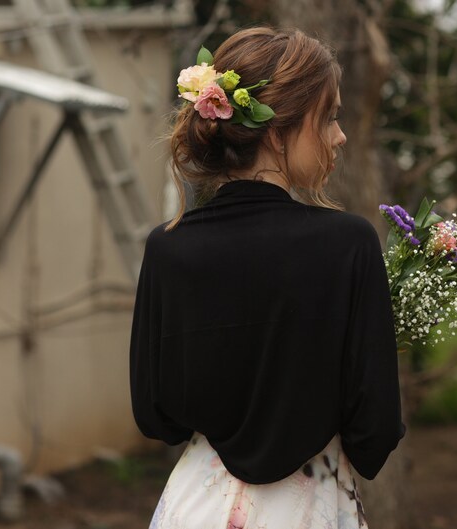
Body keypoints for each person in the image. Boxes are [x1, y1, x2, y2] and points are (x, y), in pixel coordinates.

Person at [129, 26, 405, 529]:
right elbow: (375, 427)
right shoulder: (348, 244)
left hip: (198, 506)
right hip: (314, 504)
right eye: (330, 117)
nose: (340, 135)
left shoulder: (168, 248)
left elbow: (156, 416)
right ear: (278, 132)